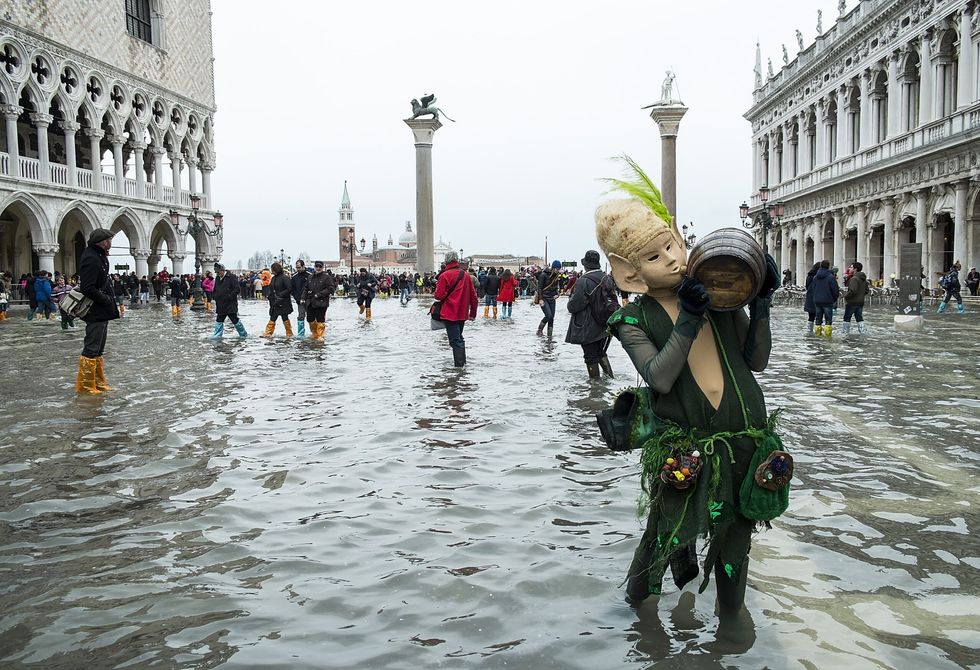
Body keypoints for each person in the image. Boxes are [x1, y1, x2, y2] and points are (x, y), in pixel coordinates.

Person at [596, 162, 784, 615]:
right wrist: (689, 318)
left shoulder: (719, 298)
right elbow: (659, 376)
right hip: (687, 451)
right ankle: (637, 614)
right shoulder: (632, 319)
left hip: (745, 444)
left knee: (736, 542)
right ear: (629, 274)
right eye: (657, 256)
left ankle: (731, 623)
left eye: (674, 245)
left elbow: (756, 360)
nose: (676, 260)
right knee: (665, 533)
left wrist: (760, 304)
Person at [76, 228, 119, 394]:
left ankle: (99, 383)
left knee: (99, 349)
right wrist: (106, 299)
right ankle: (86, 387)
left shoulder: (99, 256)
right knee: (91, 348)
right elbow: (88, 287)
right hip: (95, 310)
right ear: (103, 242)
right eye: (109, 240)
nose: (111, 243)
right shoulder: (91, 258)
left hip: (102, 311)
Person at [566, 250, 615, 378]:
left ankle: (595, 388)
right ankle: (610, 379)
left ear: (586, 265)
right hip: (605, 324)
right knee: (601, 353)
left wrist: (569, 302)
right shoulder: (607, 278)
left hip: (587, 326)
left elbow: (574, 306)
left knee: (590, 357)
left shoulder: (583, 281)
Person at [434, 251, 477, 366]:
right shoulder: (466, 275)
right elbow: (474, 297)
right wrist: (472, 313)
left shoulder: (444, 276)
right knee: (459, 338)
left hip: (449, 313)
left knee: (455, 340)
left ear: (446, 261)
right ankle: (462, 367)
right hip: (463, 313)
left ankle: (459, 368)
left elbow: (438, 296)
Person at [212, 262, 247, 339]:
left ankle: (243, 335)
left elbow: (237, 289)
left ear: (222, 270)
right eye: (216, 272)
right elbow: (215, 288)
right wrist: (215, 296)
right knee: (219, 320)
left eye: (218, 272)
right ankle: (217, 336)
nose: (217, 274)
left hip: (230, 304)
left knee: (235, 320)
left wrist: (229, 296)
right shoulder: (217, 278)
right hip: (220, 304)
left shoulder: (232, 277)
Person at [304, 260, 335, 340]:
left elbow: (330, 289)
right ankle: (314, 333)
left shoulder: (326, 277)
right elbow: (306, 288)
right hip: (311, 301)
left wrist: (319, 294)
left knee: (320, 319)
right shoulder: (310, 277)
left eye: (320, 266)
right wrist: (303, 298)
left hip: (322, 302)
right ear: (314, 267)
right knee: (309, 318)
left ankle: (320, 335)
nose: (318, 268)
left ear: (322, 267)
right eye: (316, 266)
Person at [262, 262, 294, 337]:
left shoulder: (285, 278)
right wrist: (270, 296)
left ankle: (289, 333)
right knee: (273, 316)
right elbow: (271, 288)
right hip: (275, 302)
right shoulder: (273, 278)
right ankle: (268, 333)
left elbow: (289, 288)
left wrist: (281, 294)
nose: (272, 271)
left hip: (284, 301)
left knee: (284, 317)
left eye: (272, 269)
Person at [810, 260, 840, 336]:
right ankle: (827, 337)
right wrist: (833, 299)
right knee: (828, 320)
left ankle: (817, 335)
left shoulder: (815, 277)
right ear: (828, 266)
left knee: (818, 319)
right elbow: (835, 290)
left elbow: (812, 289)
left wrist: (815, 297)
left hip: (817, 301)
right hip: (827, 301)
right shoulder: (830, 277)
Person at [535, 260, 563, 337]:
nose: (558, 271)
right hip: (544, 298)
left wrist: (557, 294)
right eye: (557, 269)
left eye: (559, 269)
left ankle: (549, 335)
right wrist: (540, 299)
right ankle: (539, 330)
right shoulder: (543, 275)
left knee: (552, 318)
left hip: (552, 299)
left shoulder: (557, 276)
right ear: (553, 268)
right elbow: (539, 288)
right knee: (549, 315)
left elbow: (557, 288)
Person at [842, 261, 868, 335]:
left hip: (852, 302)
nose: (849, 269)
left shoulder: (854, 279)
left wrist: (846, 296)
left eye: (851, 267)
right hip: (860, 302)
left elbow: (853, 291)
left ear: (855, 269)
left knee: (847, 318)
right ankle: (862, 332)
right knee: (859, 318)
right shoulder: (863, 278)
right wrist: (860, 295)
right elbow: (866, 290)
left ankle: (845, 333)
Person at [291, 259, 311, 336]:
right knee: (301, 316)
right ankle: (301, 334)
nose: (298, 269)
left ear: (303, 266)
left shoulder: (310, 275)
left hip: (309, 300)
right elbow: (292, 289)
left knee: (311, 317)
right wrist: (297, 298)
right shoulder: (294, 277)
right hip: (299, 301)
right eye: (297, 267)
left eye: (299, 267)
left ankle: (314, 333)